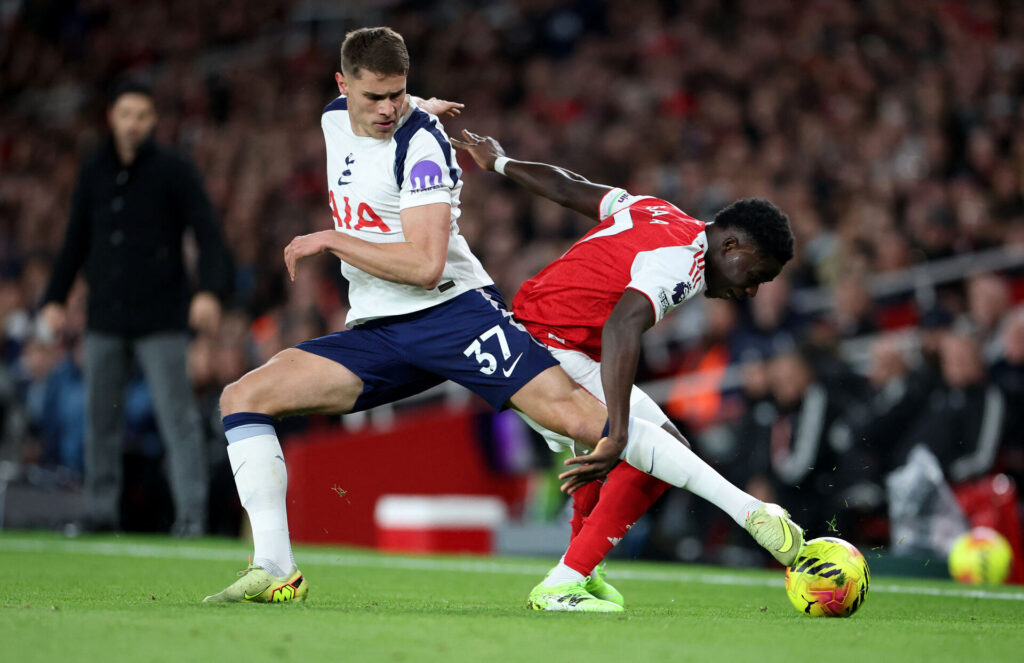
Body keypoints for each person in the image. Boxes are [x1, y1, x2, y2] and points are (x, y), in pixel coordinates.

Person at [203, 27, 803, 608]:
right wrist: (445, 122)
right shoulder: (335, 118)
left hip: (455, 316)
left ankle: (747, 518)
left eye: (397, 94)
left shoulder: (424, 149)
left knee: (595, 426)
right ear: (343, 86)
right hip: (381, 328)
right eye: (374, 97)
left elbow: (424, 266)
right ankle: (275, 569)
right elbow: (574, 188)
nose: (387, 109)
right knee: (243, 397)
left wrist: (333, 237)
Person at [450, 130, 798, 610]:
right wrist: (615, 429)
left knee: (658, 453)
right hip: (547, 347)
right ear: (731, 245)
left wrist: (500, 163)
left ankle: (578, 573)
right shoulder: (684, 263)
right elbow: (622, 326)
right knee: (652, 452)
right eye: (755, 275)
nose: (752, 291)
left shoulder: (658, 211)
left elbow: (568, 187)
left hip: (552, 337)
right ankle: (751, 514)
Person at [40, 80, 232, 537]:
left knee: (177, 418)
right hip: (105, 315)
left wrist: (209, 290)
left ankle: (191, 516)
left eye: (142, 115)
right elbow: (75, 239)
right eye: (126, 114)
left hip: (161, 316)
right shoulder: (94, 169)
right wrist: (54, 298)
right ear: (111, 116)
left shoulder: (173, 168)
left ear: (153, 120)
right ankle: (100, 511)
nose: (133, 124)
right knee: (100, 417)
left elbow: (207, 232)